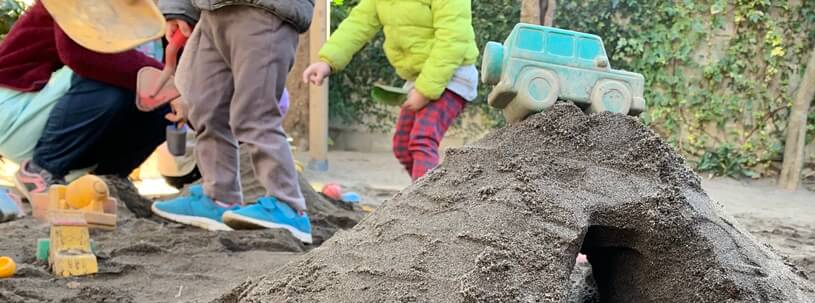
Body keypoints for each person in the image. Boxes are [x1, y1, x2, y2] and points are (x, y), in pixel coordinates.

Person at [153, 0, 312, 243]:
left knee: (255, 111)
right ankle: (218, 198)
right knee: (206, 107)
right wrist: (179, 8)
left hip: (265, 9)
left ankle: (289, 206)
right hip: (211, 11)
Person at [0, 3, 172, 197]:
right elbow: (80, 55)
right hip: (14, 109)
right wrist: (168, 80)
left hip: (49, 114)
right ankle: (40, 171)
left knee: (163, 104)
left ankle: (109, 181)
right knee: (111, 76)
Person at [303, 0, 478, 181]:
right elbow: (357, 24)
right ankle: (424, 192)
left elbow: (453, 40)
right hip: (418, 79)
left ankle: (427, 204)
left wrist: (425, 91)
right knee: (403, 146)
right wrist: (327, 62)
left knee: (422, 139)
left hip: (453, 74)